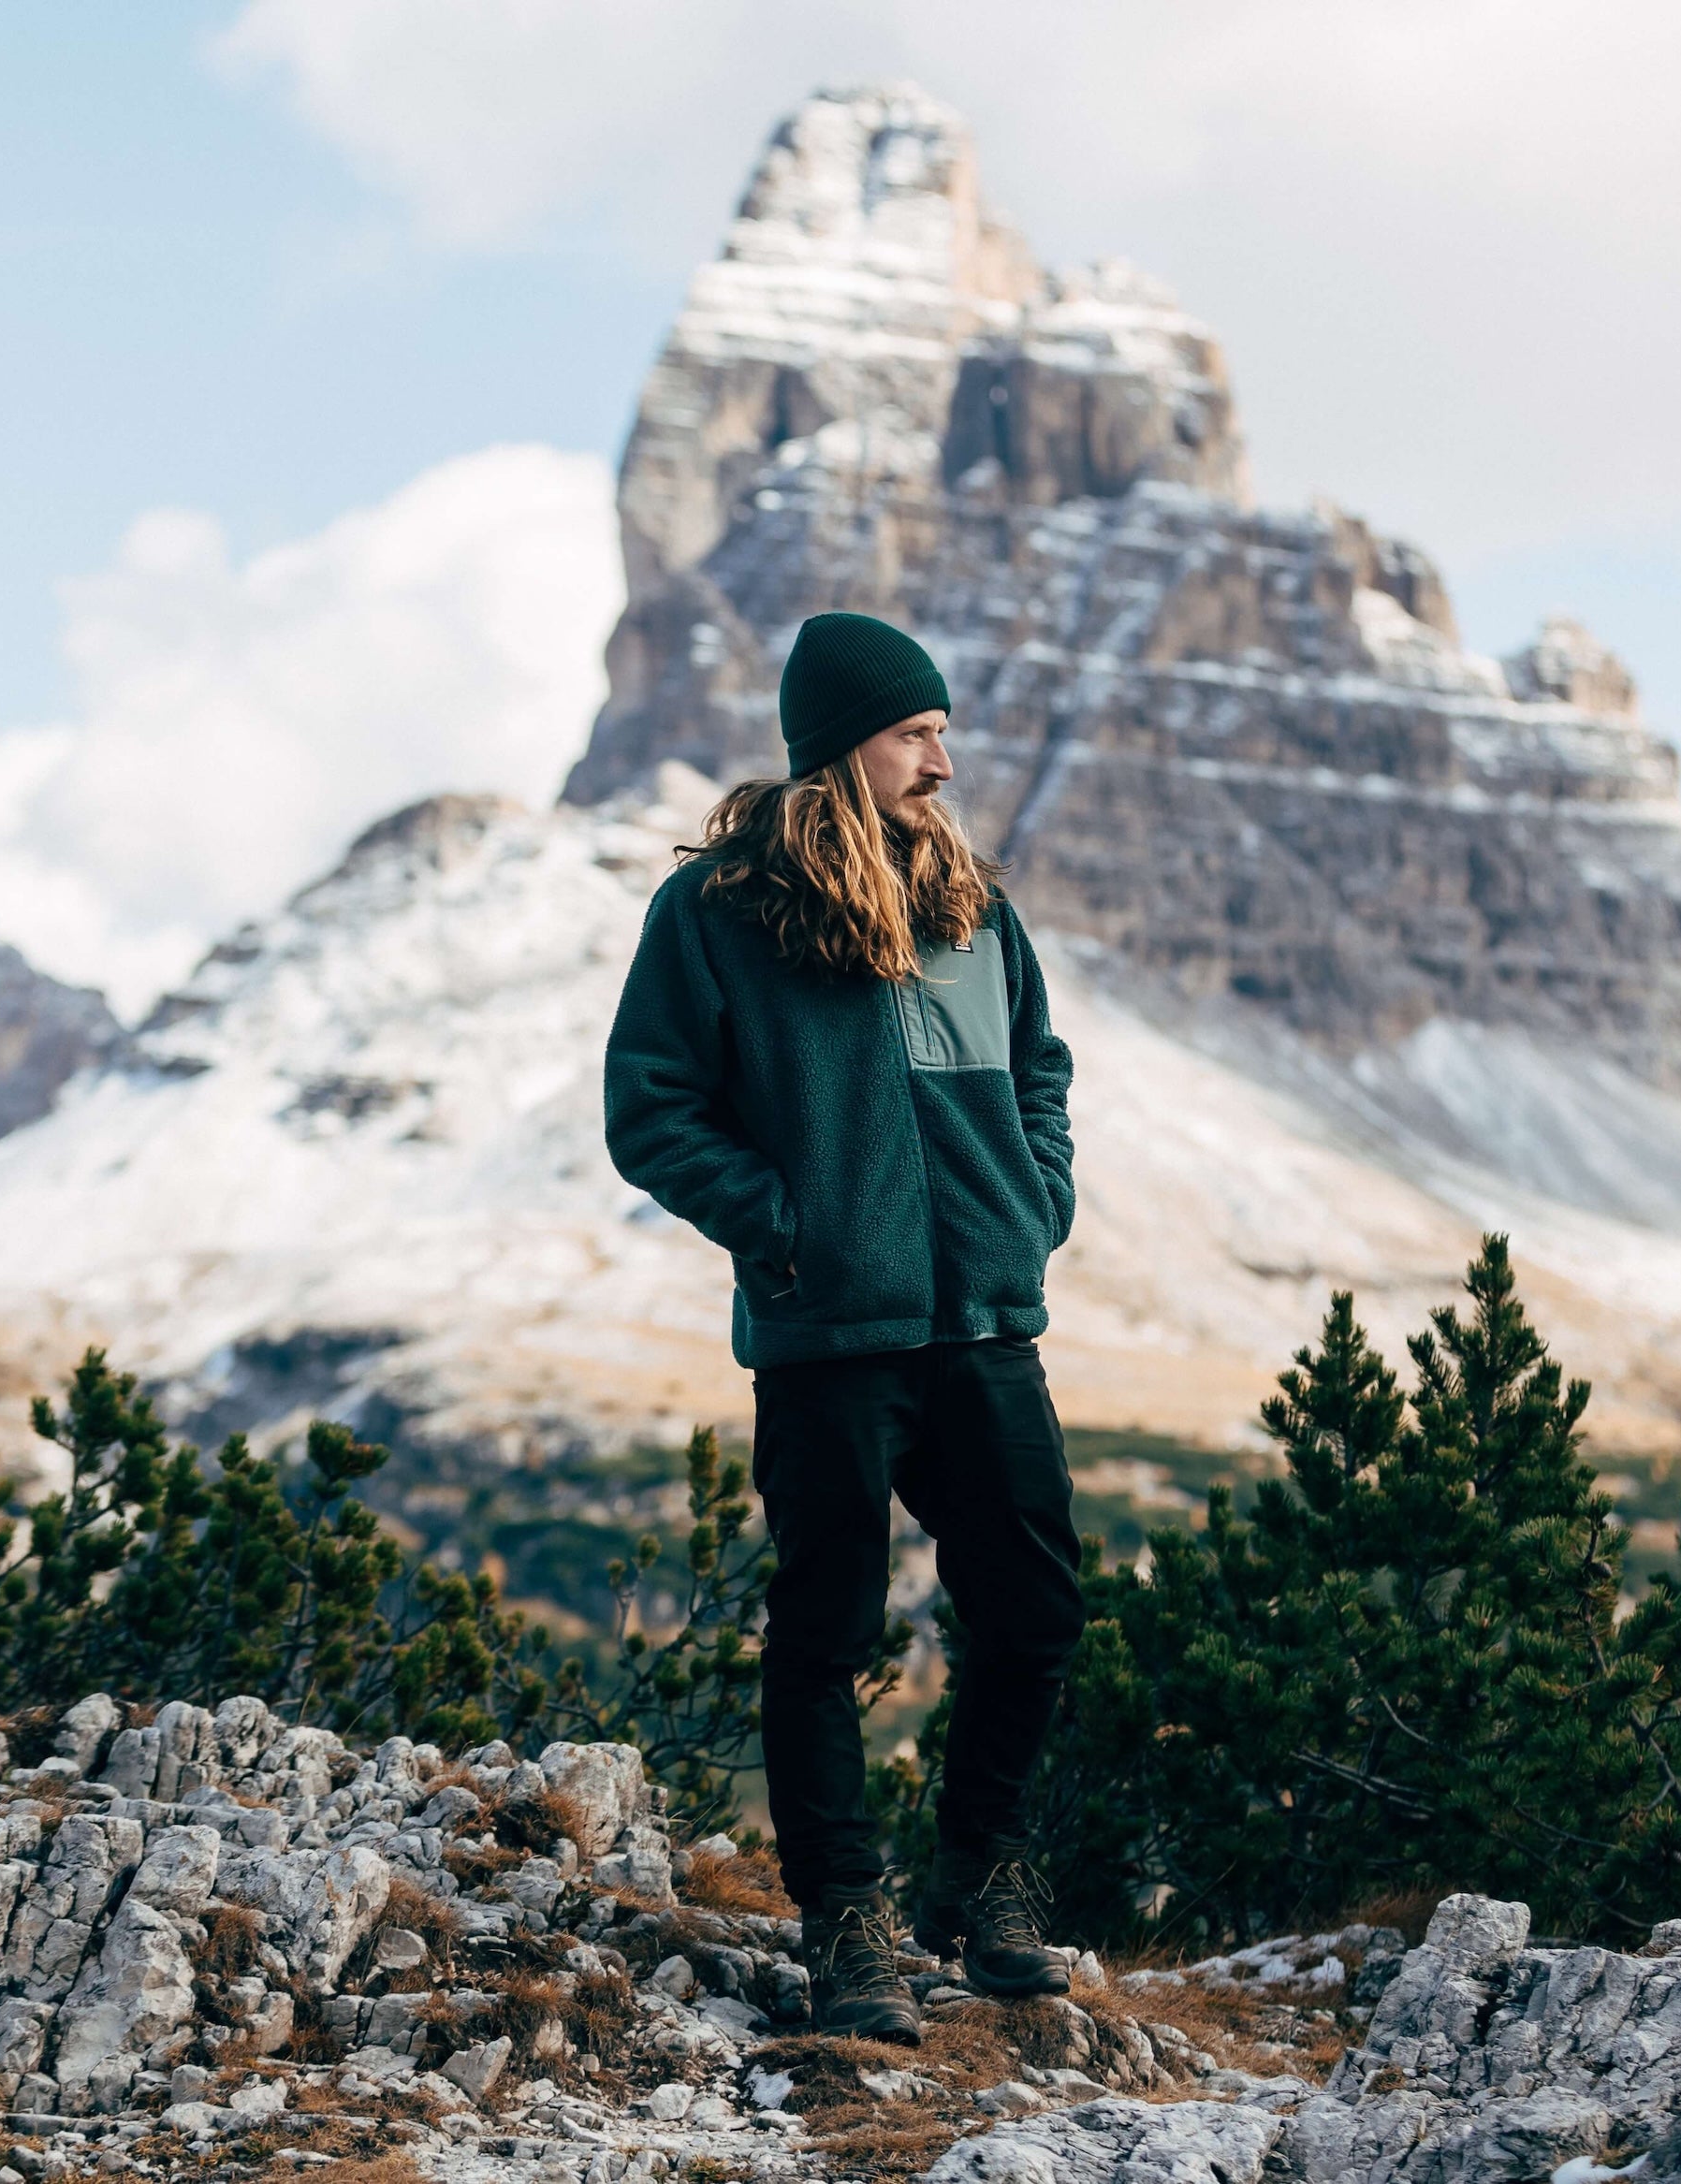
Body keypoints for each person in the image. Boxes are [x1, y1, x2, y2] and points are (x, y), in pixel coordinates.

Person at [602, 611, 1086, 2044]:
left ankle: (982, 1877)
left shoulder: (976, 906)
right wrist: (787, 1225)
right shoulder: (719, 911)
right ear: (840, 748)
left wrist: (1032, 1203)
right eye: (914, 733)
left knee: (1035, 1608)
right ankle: (846, 1916)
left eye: (941, 730)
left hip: (983, 1320)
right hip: (828, 1333)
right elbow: (651, 1110)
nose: (943, 756)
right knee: (825, 1628)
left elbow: (1042, 1069)